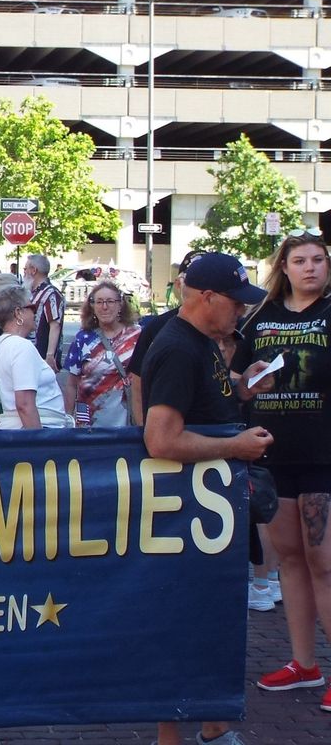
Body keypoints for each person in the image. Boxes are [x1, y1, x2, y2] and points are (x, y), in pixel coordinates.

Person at [141, 251, 276, 745]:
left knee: (205, 629)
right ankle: (191, 735)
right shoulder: (179, 347)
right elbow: (161, 439)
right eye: (236, 302)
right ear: (206, 297)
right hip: (192, 520)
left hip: (207, 517)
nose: (242, 312)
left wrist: (241, 389)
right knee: (190, 629)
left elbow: (201, 406)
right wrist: (235, 447)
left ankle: (213, 728)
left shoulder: (198, 344)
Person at [230, 229, 331, 712]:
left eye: (318, 259)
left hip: (323, 456)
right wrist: (248, 379)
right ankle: (303, 663)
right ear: (284, 267)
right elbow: (237, 376)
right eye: (300, 260)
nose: (310, 267)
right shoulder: (260, 318)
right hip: (271, 452)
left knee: (324, 563)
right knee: (289, 560)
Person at [127, 249, 206, 425]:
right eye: (192, 280)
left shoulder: (227, 326)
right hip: (166, 434)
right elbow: (137, 382)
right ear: (179, 284)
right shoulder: (157, 327)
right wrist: (142, 429)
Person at [0, 284, 68, 429]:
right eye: (33, 307)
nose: (36, 313)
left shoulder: (2, 344)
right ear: (18, 313)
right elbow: (24, 404)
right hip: (34, 430)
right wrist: (38, 444)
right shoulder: (21, 347)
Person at [63, 281, 141, 427]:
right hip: (89, 420)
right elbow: (72, 384)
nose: (104, 307)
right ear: (92, 307)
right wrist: (69, 420)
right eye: (99, 302)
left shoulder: (137, 336)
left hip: (127, 419)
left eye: (110, 301)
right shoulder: (82, 339)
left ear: (120, 304)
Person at [23, 253, 64, 371]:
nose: (24, 272)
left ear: (33, 270)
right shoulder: (33, 292)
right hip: (32, 356)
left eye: (25, 269)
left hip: (42, 358)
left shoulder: (51, 293)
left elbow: (54, 325)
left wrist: (50, 355)